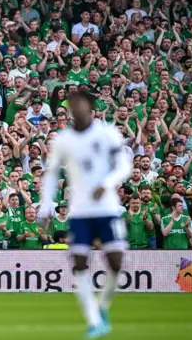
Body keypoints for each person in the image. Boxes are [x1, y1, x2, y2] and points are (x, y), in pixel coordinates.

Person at [40, 91, 132, 338]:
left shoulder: (107, 133)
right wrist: (45, 205)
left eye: (80, 103)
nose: (76, 107)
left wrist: (108, 183)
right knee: (79, 264)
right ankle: (93, 320)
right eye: (72, 104)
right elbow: (51, 173)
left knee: (116, 262)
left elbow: (124, 165)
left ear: (90, 107)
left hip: (107, 209)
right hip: (79, 211)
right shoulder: (63, 139)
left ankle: (102, 307)